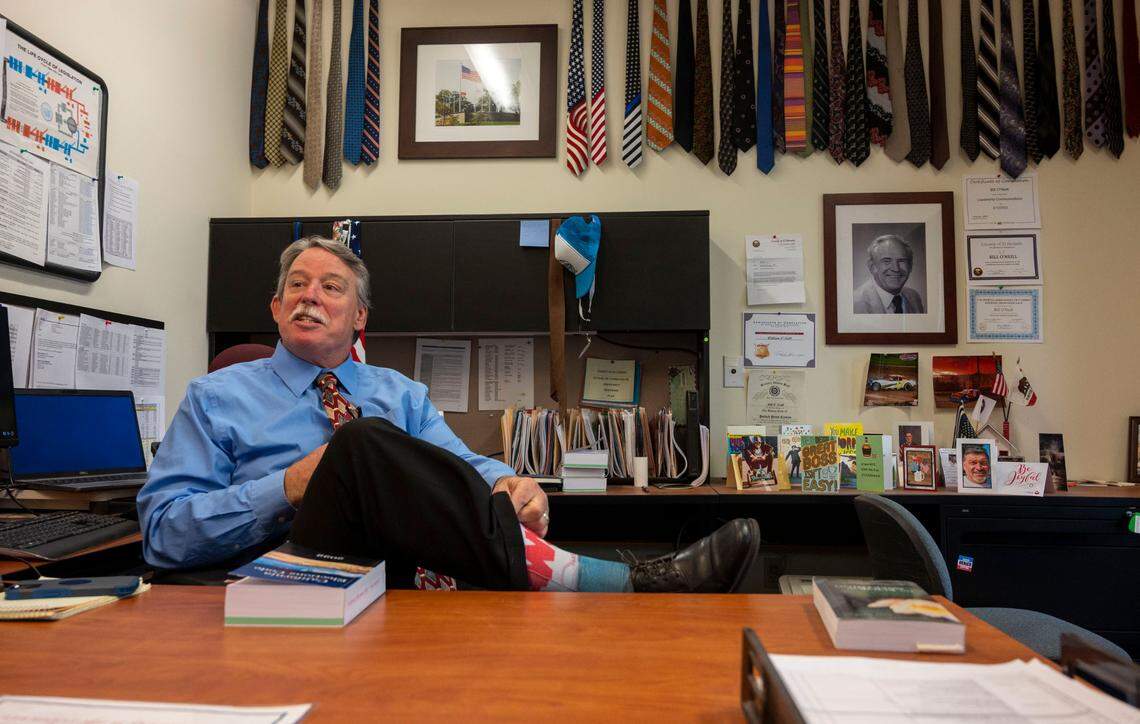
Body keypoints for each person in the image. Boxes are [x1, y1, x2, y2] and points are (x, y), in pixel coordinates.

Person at [138, 236, 759, 593]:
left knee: (382, 441)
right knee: (359, 445)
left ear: (360, 319)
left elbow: (460, 464)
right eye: (297, 286)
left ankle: (584, 583)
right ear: (275, 308)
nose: (310, 296)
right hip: (286, 580)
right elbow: (163, 535)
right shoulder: (215, 396)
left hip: (405, 576)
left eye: (331, 287)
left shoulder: (400, 391)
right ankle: (610, 583)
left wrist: (509, 483)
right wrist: (287, 487)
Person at [853, 234, 926, 314]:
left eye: (902, 260)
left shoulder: (914, 297)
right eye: (887, 261)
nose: (896, 268)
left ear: (910, 266)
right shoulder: (855, 304)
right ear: (872, 266)